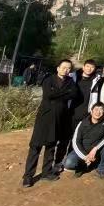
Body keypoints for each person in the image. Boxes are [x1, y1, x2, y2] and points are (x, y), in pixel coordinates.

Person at [22, 60, 77, 188]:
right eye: (64, 67)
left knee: (51, 146)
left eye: (68, 68)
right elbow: (48, 95)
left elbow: (74, 94)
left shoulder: (70, 81)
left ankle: (46, 172)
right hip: (44, 117)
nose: (66, 70)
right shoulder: (48, 79)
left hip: (59, 118)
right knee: (35, 146)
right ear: (58, 68)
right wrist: (65, 93)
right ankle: (28, 176)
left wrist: (58, 94)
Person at [63, 101, 104, 178]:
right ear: (91, 111)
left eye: (101, 110)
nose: (98, 112)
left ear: (103, 111)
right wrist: (85, 157)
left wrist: (95, 148)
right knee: (68, 163)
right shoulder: (83, 123)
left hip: (97, 150)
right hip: (83, 149)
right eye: (96, 109)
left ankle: (101, 169)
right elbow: (75, 142)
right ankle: (82, 167)